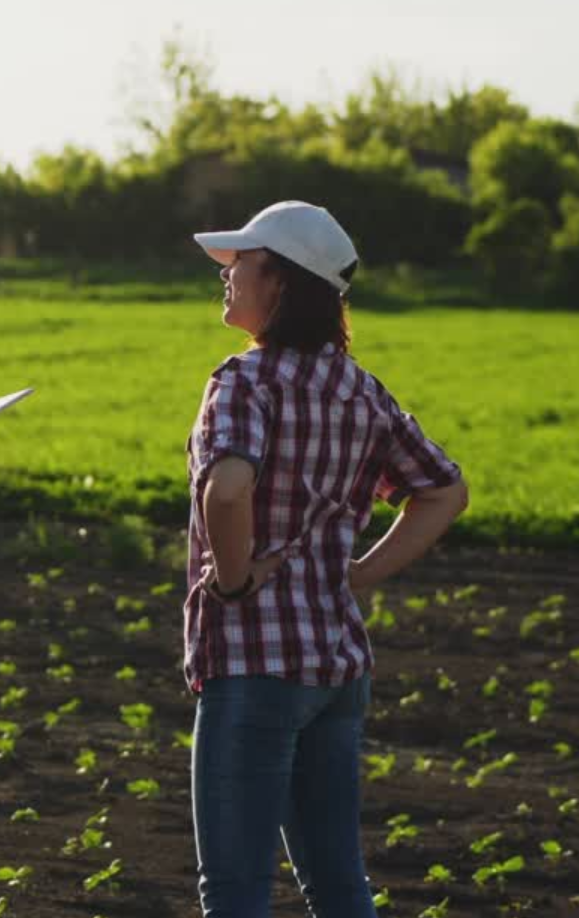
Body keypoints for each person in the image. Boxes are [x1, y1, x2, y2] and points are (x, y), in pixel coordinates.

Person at [182, 202, 469, 918]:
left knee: (237, 891)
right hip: (338, 665)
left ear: (279, 281)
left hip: (254, 664)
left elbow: (228, 489)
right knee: (339, 886)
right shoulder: (361, 391)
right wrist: (357, 576)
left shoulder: (244, 383)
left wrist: (237, 574)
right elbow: (445, 492)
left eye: (240, 263)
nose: (227, 275)